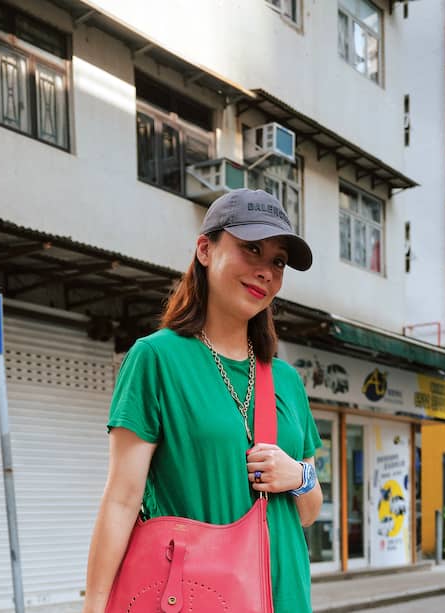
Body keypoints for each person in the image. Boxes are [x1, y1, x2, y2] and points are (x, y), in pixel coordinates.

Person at [84, 189, 323, 613]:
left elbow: (307, 512)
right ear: (205, 250)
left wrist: (298, 475)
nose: (266, 271)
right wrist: (96, 608)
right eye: (251, 249)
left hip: (287, 598)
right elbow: (122, 498)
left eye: (278, 261)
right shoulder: (157, 359)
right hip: (200, 599)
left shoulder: (286, 381)